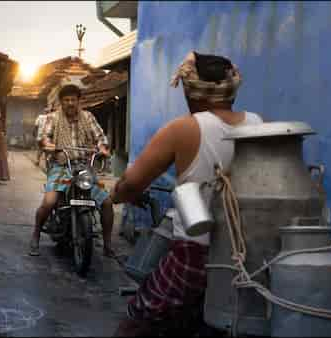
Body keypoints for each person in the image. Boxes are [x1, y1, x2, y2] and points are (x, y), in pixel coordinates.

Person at [109, 51, 263, 336]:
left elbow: (132, 184)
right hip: (251, 255)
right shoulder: (257, 123)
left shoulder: (184, 128)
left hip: (196, 256)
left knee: (137, 323)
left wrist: (117, 194)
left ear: (191, 91)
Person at [29, 84, 115, 257]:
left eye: (73, 100)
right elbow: (43, 138)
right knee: (49, 202)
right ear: (61, 102)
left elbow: (100, 137)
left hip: (84, 168)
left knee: (106, 203)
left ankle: (107, 245)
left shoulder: (88, 117)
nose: (70, 103)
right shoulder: (52, 118)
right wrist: (50, 146)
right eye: (66, 100)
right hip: (61, 167)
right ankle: (36, 235)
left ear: (78, 101)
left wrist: (102, 148)